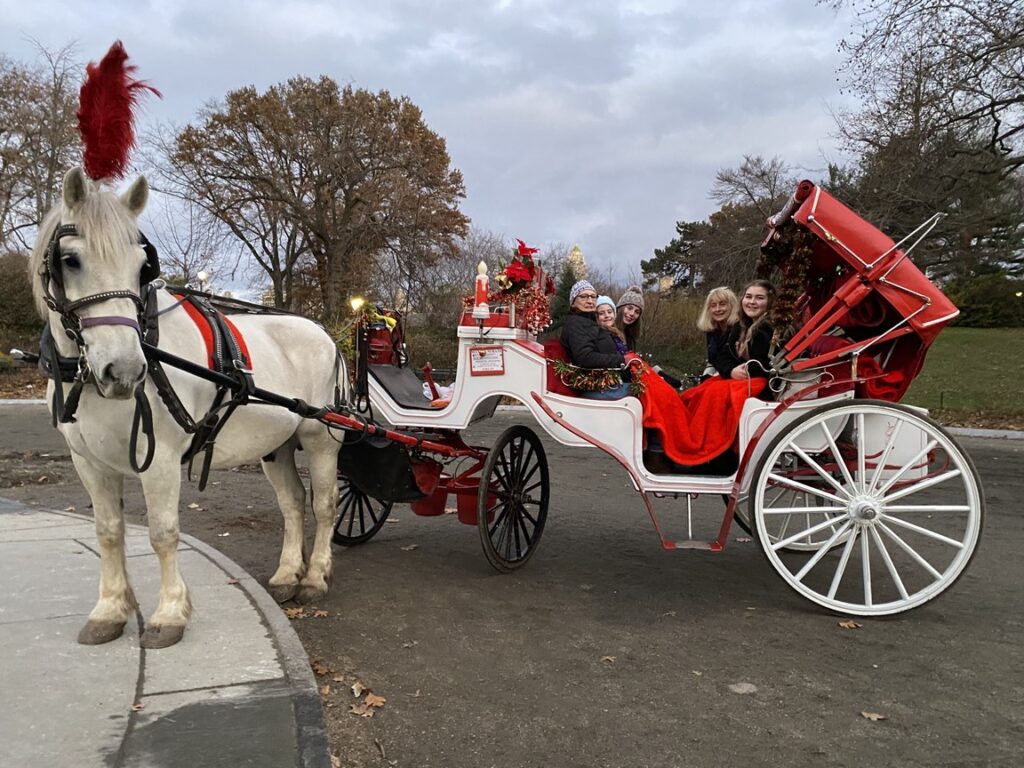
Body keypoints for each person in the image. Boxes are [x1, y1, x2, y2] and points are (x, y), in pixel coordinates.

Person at [560, 280, 632, 400]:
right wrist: (622, 359)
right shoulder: (576, 324)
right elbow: (585, 357)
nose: (590, 300)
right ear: (573, 303)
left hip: (610, 380)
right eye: (583, 296)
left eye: (593, 297)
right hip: (599, 386)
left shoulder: (590, 322)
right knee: (653, 392)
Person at [713, 279, 775, 380]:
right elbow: (722, 356)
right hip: (736, 378)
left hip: (764, 384)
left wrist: (747, 369)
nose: (752, 302)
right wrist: (731, 370)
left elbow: (772, 364)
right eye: (748, 297)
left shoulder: (775, 329)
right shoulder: (739, 326)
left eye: (759, 298)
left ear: (770, 301)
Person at [696, 287, 740, 379]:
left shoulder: (739, 328)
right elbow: (713, 360)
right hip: (719, 372)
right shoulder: (712, 331)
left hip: (736, 375)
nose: (718, 309)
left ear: (732, 306)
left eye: (722, 304)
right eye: (713, 305)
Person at [615, 285, 645, 352]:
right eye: (629, 308)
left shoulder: (631, 337)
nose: (632, 313)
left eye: (637, 312)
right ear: (620, 308)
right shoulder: (607, 331)